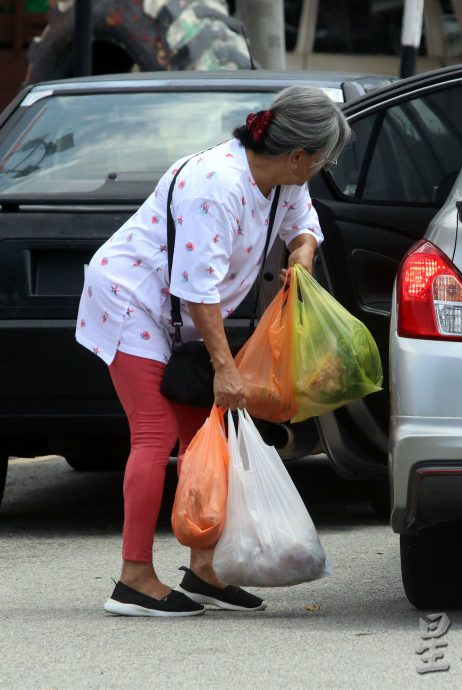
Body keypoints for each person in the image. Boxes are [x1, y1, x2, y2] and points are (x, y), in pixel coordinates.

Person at [75, 86, 352, 617]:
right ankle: (133, 578)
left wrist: (304, 251)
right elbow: (196, 290)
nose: (319, 170)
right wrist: (226, 370)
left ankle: (204, 570)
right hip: (132, 300)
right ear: (298, 155)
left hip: (179, 314)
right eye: (321, 161)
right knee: (155, 435)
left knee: (205, 436)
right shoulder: (216, 186)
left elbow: (303, 224)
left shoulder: (279, 180)